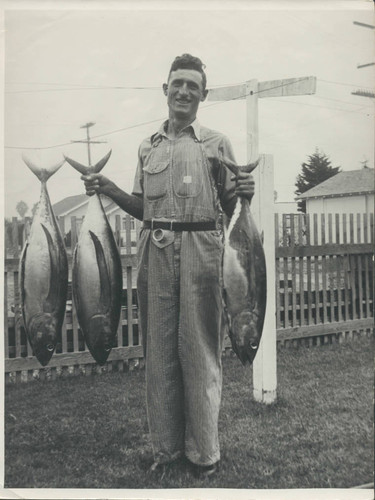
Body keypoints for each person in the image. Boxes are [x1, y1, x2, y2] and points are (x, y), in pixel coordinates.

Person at [82, 54, 255, 477]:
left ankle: (204, 454)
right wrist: (110, 189)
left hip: (203, 251)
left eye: (192, 86)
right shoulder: (148, 147)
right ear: (165, 89)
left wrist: (246, 192)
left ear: (203, 94)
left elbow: (233, 207)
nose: (183, 91)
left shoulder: (217, 144)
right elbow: (143, 207)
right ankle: (167, 450)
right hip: (154, 252)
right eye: (177, 83)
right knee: (159, 355)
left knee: (199, 353)